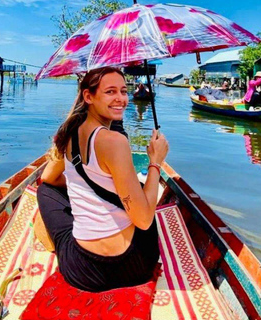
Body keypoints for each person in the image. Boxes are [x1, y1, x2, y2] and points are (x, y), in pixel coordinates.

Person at [37, 66, 169, 292]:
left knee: (44, 191)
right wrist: (155, 161)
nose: (121, 99)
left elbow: (48, 179)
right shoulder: (115, 141)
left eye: (124, 91)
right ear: (88, 96)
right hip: (134, 267)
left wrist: (79, 186)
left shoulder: (70, 132)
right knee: (137, 188)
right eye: (110, 92)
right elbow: (145, 221)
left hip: (82, 271)